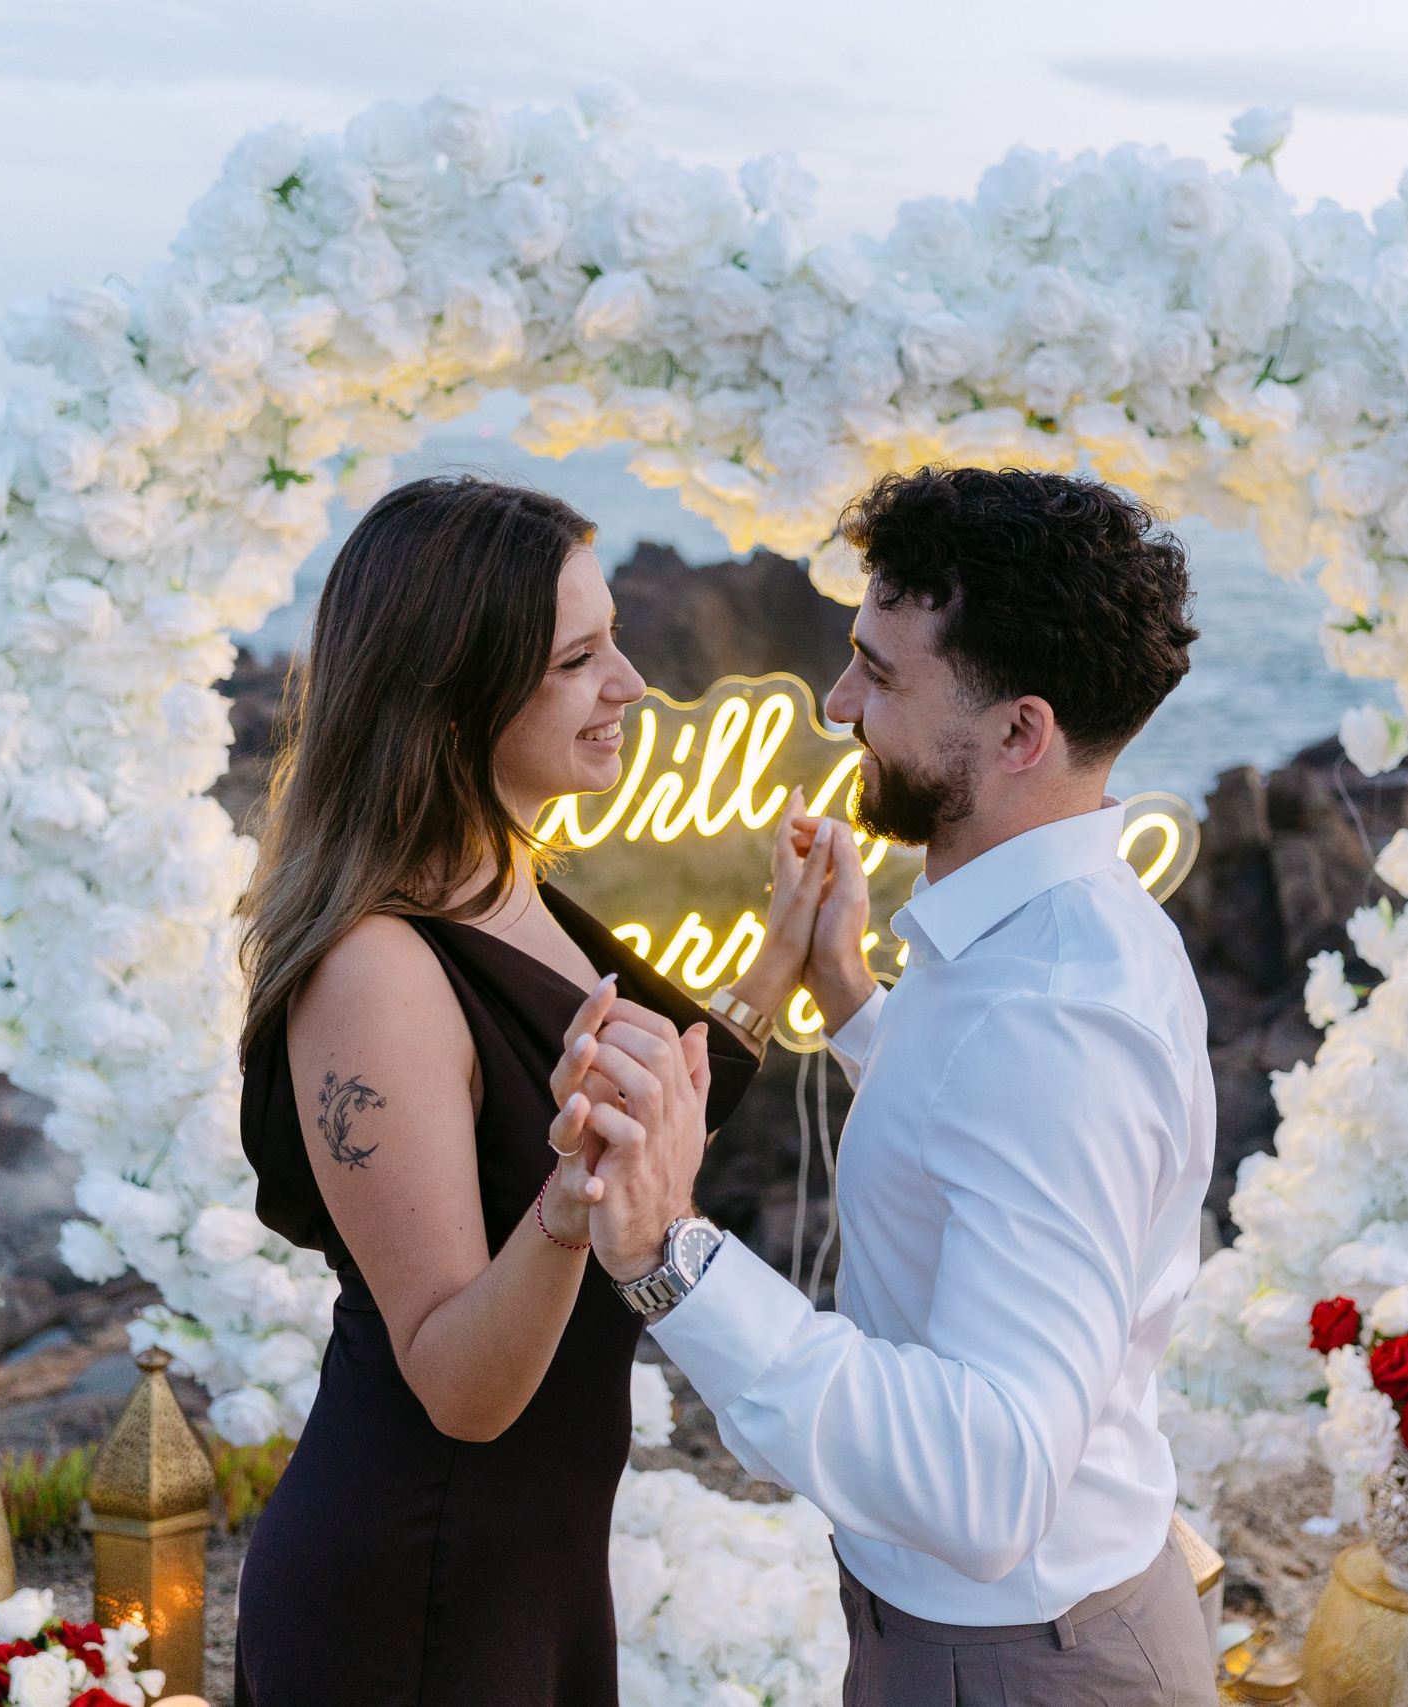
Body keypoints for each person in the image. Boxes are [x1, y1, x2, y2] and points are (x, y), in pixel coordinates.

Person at [581, 467, 1218, 1704]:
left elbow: (987, 1483)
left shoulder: (1052, 1021)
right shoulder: (1055, 937)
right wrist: (853, 1009)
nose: (833, 702)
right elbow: (990, 1145)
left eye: (879, 673)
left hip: (1019, 1668)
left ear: (1019, 733)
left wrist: (672, 1253)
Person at [229, 476, 842, 1707]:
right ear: (452, 696)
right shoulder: (377, 974)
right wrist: (568, 1211)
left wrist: (780, 953)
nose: (631, 684)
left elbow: (646, 1121)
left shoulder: (512, 881)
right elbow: (458, 1384)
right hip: (418, 1587)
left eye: (612, 638)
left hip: (536, 1567)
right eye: (579, 658)